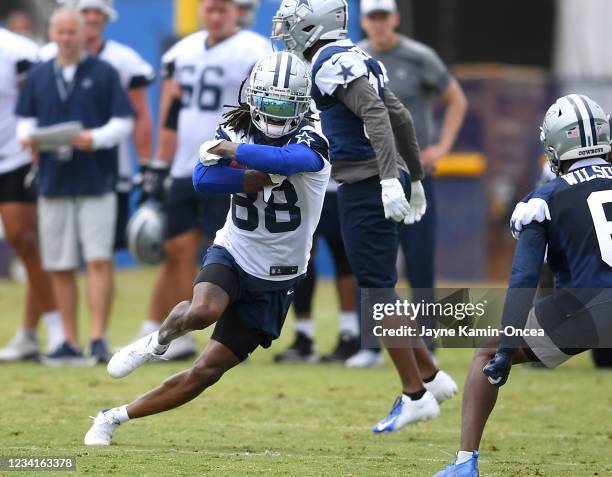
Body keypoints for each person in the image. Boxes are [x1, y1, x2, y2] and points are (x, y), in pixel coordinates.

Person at [83, 51, 330, 445]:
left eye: (286, 105)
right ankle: (158, 341)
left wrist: (234, 156)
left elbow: (290, 159)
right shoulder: (238, 126)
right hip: (234, 249)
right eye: (270, 102)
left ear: (301, 106)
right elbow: (202, 179)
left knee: (205, 373)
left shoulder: (312, 137)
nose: (276, 112)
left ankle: (112, 417)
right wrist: (247, 179)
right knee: (202, 310)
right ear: (254, 97)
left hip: (279, 276)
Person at [271, 0, 457, 432]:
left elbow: (377, 114)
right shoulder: (356, 56)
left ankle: (415, 395)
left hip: (364, 186)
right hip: (376, 181)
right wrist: (414, 178)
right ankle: (430, 374)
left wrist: (395, 179)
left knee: (377, 294)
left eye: (292, 25)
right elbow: (402, 116)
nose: (285, 33)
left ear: (312, 25)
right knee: (383, 289)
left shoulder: (329, 61)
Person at [434, 94, 612, 477]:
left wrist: (506, 345)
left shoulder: (544, 198)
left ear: (556, 143)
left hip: (589, 309)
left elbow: (524, 278)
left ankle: (465, 464)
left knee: (484, 351)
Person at [128, 0, 271, 360]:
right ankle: (183, 334)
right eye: (210, 9)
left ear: (235, 11)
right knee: (177, 248)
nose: (216, 15)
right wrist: (160, 162)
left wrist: (249, 155)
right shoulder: (183, 51)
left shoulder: (254, 49)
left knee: (222, 251)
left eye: (222, 9)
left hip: (226, 166)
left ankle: (231, 336)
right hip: (184, 166)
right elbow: (171, 112)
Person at [350, 0, 468, 367]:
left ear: (396, 19)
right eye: (373, 17)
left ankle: (427, 341)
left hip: (413, 173)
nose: (379, 23)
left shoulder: (419, 56)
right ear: (364, 21)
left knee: (418, 259)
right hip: (372, 172)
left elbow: (456, 100)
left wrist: (443, 146)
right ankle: (370, 345)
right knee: (371, 259)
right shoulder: (354, 58)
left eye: (384, 16)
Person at [15, 8, 134, 365]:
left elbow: (123, 120)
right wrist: (29, 138)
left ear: (83, 34)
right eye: (61, 32)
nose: (66, 39)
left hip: (96, 178)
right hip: (53, 180)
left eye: (72, 32)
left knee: (98, 259)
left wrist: (94, 139)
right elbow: (24, 118)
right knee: (60, 263)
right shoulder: (39, 75)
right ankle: (68, 338)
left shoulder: (104, 72)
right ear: (51, 34)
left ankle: (98, 337)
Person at [41, 0, 155, 252]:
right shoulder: (46, 58)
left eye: (97, 12)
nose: (91, 18)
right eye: (85, 11)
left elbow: (140, 115)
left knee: (101, 250)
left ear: (106, 17)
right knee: (59, 252)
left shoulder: (122, 59)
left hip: (108, 166)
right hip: (55, 168)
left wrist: (145, 163)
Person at [0, 27, 64, 362]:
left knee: (25, 240)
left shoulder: (17, 49)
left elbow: (35, 102)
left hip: (13, 157)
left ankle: (53, 329)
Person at [274, 179, 361, 364]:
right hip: (305, 186)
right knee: (301, 259)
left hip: (341, 184)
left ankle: (349, 334)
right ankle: (304, 335)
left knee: (344, 257)